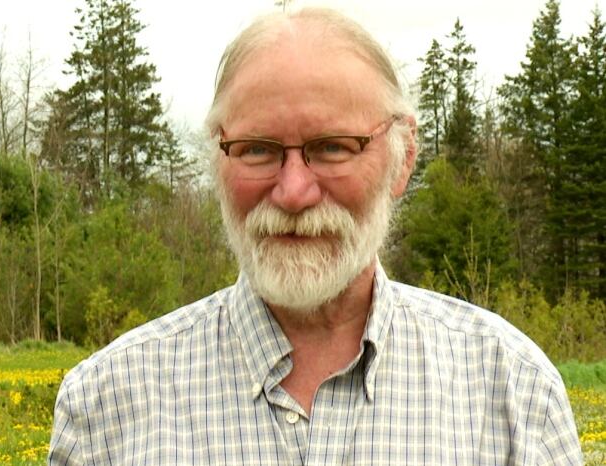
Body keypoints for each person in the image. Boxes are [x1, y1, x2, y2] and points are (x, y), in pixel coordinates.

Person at [49, 7, 582, 465]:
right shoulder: (107, 408)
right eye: (257, 149)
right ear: (218, 157)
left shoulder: (512, 392)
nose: (294, 192)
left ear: (403, 159)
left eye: (332, 147)